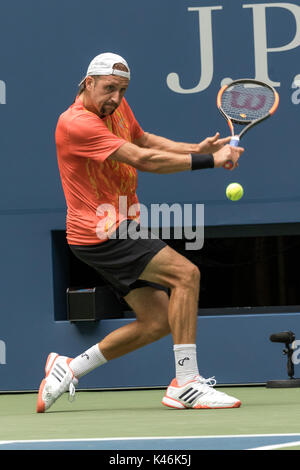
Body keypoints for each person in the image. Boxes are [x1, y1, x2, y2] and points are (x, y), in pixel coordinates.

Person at [36, 53, 244, 413]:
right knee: (186, 275)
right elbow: (141, 158)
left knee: (158, 321)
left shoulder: (115, 109)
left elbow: (143, 139)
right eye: (109, 88)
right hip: (102, 229)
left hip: (115, 225)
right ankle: (187, 383)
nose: (116, 97)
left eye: (122, 90)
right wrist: (210, 160)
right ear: (89, 83)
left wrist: (196, 147)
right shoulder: (76, 124)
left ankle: (70, 368)